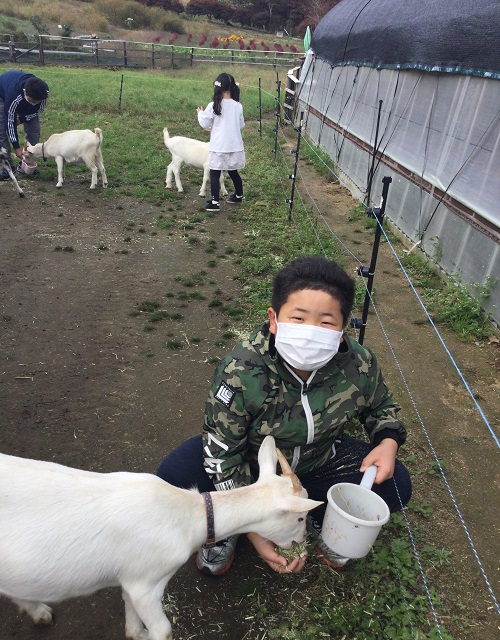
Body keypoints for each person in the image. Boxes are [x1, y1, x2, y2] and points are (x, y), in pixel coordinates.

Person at [157, 255, 412, 576]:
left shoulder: (358, 363)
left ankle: (314, 514)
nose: (310, 331)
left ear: (343, 329)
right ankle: (227, 529)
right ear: (274, 319)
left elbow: (381, 407)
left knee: (396, 483)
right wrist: (252, 526)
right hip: (251, 472)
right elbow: (221, 452)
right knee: (176, 475)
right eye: (299, 318)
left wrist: (387, 441)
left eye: (326, 322)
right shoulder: (241, 369)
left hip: (319, 462)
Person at [197, 72, 245, 213]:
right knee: (233, 171)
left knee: (215, 173)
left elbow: (204, 122)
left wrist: (200, 113)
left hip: (219, 146)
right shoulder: (238, 106)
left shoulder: (213, 105)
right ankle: (238, 195)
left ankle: (215, 202)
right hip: (234, 145)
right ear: (231, 87)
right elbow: (241, 125)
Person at [0, 70, 49, 180]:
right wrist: (16, 147)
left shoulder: (43, 91)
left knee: (34, 131)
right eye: (33, 100)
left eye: (38, 101)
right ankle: (8, 168)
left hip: (23, 100)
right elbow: (10, 122)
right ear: (25, 92)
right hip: (2, 95)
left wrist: (22, 119)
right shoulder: (14, 97)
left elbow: (38, 111)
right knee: (1, 131)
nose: (36, 103)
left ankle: (26, 162)